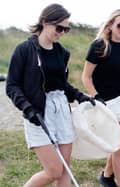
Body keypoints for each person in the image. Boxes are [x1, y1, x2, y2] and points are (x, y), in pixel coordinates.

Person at [6, 4, 95, 187]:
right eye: (59, 27)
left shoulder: (61, 53)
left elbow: (61, 85)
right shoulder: (24, 50)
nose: (62, 33)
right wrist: (28, 109)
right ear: (45, 22)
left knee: (65, 169)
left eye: (66, 29)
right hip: (37, 112)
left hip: (61, 110)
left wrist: (81, 96)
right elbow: (12, 85)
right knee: (54, 170)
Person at [81, 9, 120, 187]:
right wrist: (96, 97)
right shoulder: (99, 46)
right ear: (110, 25)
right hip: (108, 104)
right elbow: (86, 77)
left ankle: (107, 176)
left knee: (119, 142)